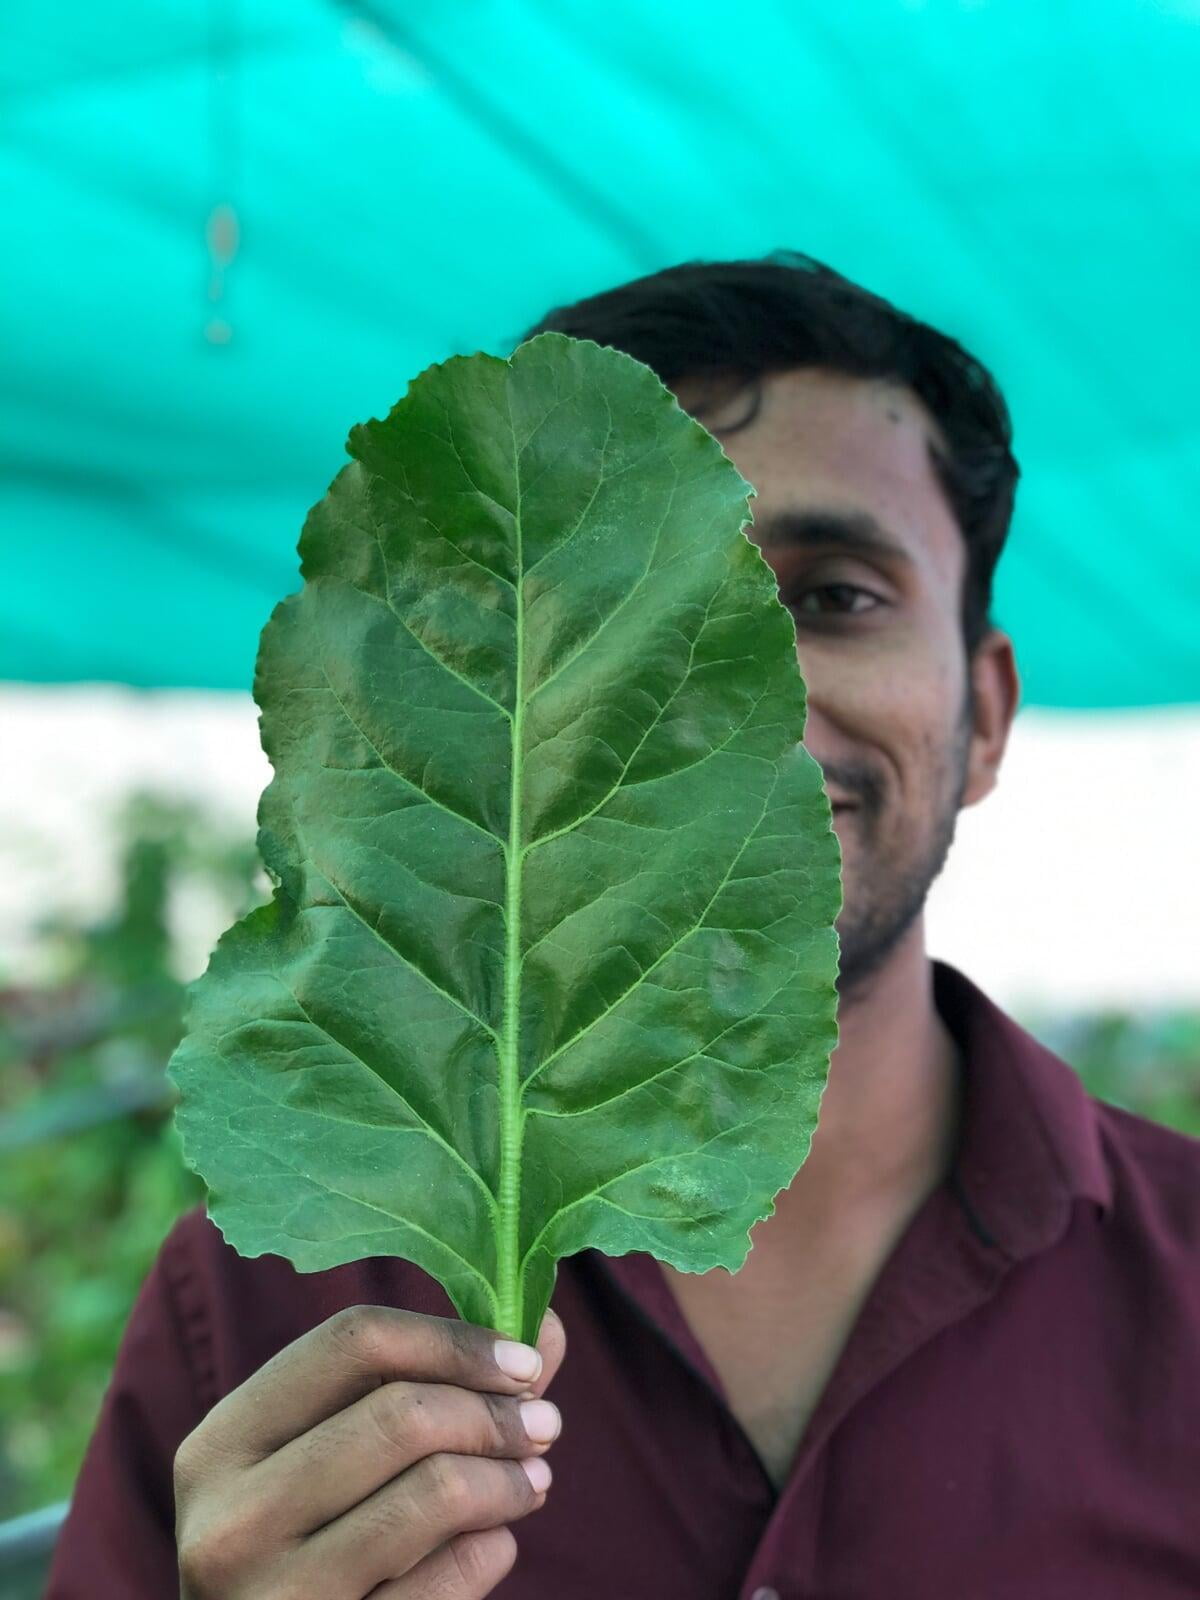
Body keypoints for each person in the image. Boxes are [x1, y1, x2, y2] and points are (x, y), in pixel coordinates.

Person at [46, 252, 1200, 1599]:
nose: (730, 695)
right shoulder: (259, 1315)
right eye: (626, 607)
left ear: (986, 712)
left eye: (832, 594)